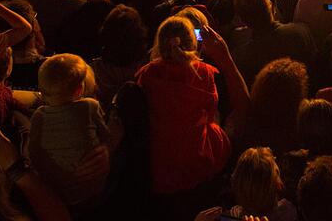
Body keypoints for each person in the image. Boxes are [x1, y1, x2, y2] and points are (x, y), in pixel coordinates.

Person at [137, 15, 249, 204]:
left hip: (161, 162)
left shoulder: (146, 73)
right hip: (198, 158)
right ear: (193, 44)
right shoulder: (205, 72)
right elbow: (212, 110)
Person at [28, 53, 112, 207]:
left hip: (58, 192)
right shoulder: (90, 106)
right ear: (80, 89)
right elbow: (106, 136)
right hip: (93, 186)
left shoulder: (39, 116)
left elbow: (33, 152)